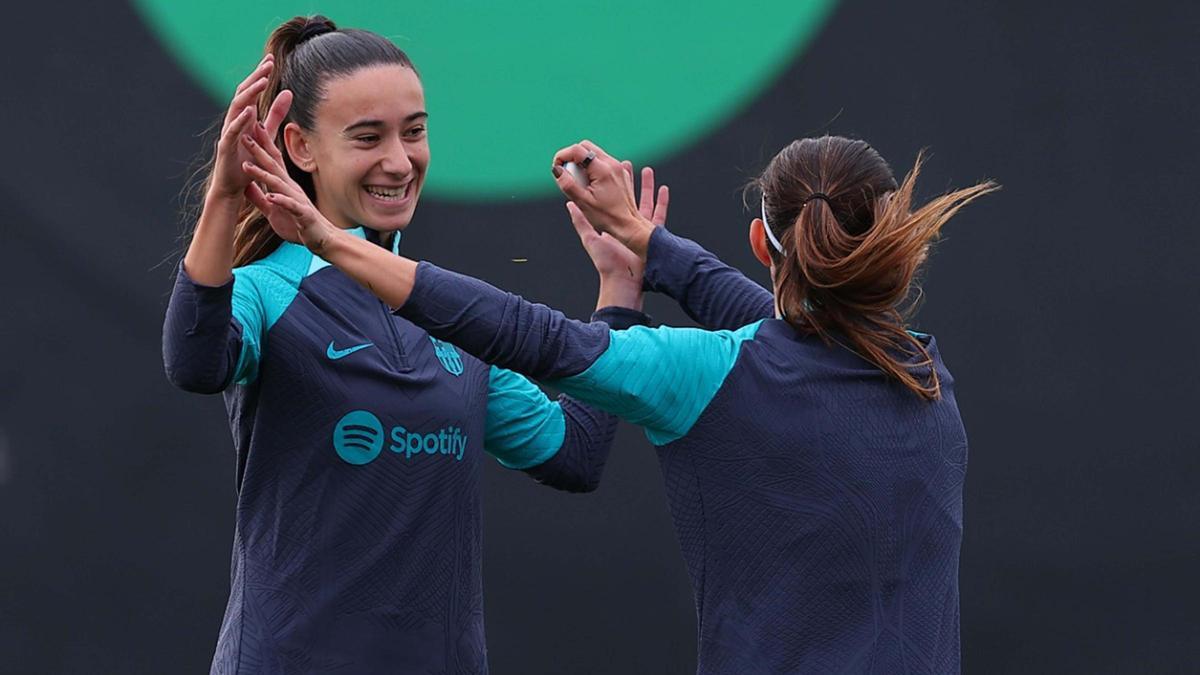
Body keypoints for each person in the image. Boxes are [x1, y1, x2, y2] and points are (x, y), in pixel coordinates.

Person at [243, 133, 996, 673]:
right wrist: (647, 242)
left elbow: (531, 336)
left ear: (763, 246)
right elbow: (801, 328)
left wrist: (336, 243)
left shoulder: (704, 373)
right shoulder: (923, 369)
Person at [162, 16, 663, 674]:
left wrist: (620, 292)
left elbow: (574, 452)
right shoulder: (263, 292)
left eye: (414, 131)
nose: (399, 161)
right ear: (301, 147)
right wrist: (226, 194)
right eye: (368, 137)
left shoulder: (451, 312)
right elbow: (195, 361)